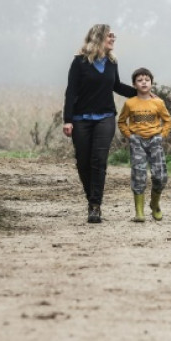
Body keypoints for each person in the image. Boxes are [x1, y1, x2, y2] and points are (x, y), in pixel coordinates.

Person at [63, 24, 137, 224]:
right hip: (81, 119)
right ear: (98, 37)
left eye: (114, 36)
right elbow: (71, 91)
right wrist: (67, 119)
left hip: (105, 117)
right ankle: (91, 198)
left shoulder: (112, 62)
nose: (113, 39)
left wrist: (140, 93)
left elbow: (116, 86)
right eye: (109, 36)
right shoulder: (79, 62)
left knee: (99, 161)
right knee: (83, 162)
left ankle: (95, 205)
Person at [117, 67, 171, 223]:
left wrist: (161, 136)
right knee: (139, 175)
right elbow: (121, 122)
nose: (144, 83)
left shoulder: (158, 102)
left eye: (147, 80)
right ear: (134, 84)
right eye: (140, 80)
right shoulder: (130, 103)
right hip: (137, 142)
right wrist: (130, 136)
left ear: (151, 83)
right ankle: (139, 212)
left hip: (155, 141)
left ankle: (154, 204)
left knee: (160, 176)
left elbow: (168, 121)